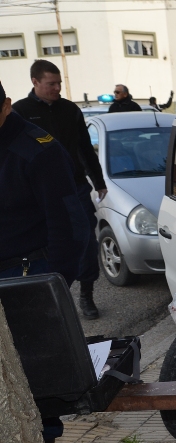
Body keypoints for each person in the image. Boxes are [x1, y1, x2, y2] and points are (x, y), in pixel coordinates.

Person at [0, 78, 90, 443]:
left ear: (5, 106)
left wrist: (49, 287)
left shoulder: (38, 150)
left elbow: (72, 226)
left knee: (37, 384)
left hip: (27, 277)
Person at [13, 60, 107, 320]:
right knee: (45, 245)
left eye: (59, 84)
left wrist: (98, 181)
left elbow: (85, 148)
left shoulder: (70, 110)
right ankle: (47, 297)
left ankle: (86, 294)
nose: (57, 88)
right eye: (50, 84)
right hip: (37, 194)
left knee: (86, 241)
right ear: (35, 82)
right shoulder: (19, 112)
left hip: (75, 187)